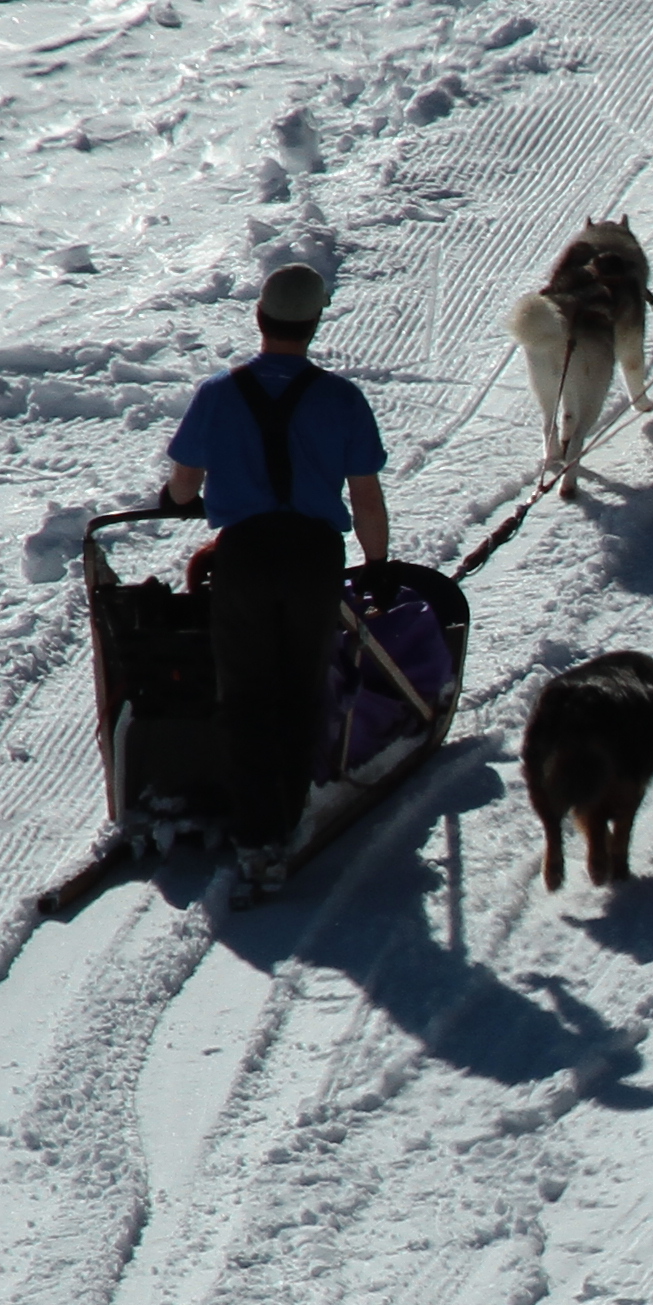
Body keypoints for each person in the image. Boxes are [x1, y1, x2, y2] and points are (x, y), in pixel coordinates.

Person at [159, 263, 393, 882]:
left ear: (260, 319)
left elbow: (184, 488)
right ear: (315, 324)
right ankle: (286, 820)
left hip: (243, 559)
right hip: (313, 560)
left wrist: (184, 496)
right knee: (299, 690)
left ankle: (253, 828)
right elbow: (366, 500)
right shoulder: (343, 400)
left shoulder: (217, 394)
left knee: (245, 694)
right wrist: (377, 566)